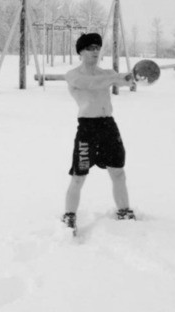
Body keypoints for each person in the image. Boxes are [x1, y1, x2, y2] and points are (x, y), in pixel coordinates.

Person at [62, 32, 135, 232]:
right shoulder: (73, 76)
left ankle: (124, 211)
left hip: (108, 127)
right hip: (87, 128)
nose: (95, 51)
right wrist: (115, 78)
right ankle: (69, 215)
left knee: (118, 172)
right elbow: (93, 84)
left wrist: (131, 78)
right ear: (81, 52)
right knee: (79, 176)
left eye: (97, 48)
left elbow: (126, 82)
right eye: (90, 48)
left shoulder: (107, 74)